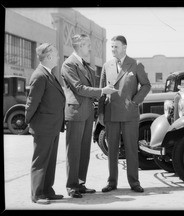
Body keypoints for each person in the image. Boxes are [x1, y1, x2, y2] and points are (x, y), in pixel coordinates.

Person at [61, 34, 117, 198]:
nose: (90, 48)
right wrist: (102, 91)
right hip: (76, 112)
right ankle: (72, 186)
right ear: (78, 45)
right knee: (73, 151)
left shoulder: (84, 64)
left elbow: (90, 86)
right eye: (87, 45)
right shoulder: (68, 64)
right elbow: (78, 88)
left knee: (84, 150)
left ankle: (80, 183)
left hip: (86, 112)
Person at [100, 35, 151, 193]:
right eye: (112, 47)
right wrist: (101, 113)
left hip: (129, 114)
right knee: (112, 150)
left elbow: (146, 85)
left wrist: (135, 101)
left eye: (116, 46)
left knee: (130, 149)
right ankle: (112, 182)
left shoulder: (135, 65)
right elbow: (101, 91)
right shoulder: (106, 66)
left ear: (124, 47)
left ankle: (134, 182)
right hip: (111, 114)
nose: (113, 49)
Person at [25, 43, 65, 205]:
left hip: (52, 126)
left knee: (49, 161)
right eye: (55, 54)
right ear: (48, 56)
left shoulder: (49, 73)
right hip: (43, 126)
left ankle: (47, 190)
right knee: (41, 161)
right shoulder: (39, 76)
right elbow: (31, 103)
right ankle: (37, 194)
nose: (58, 57)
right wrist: (30, 123)